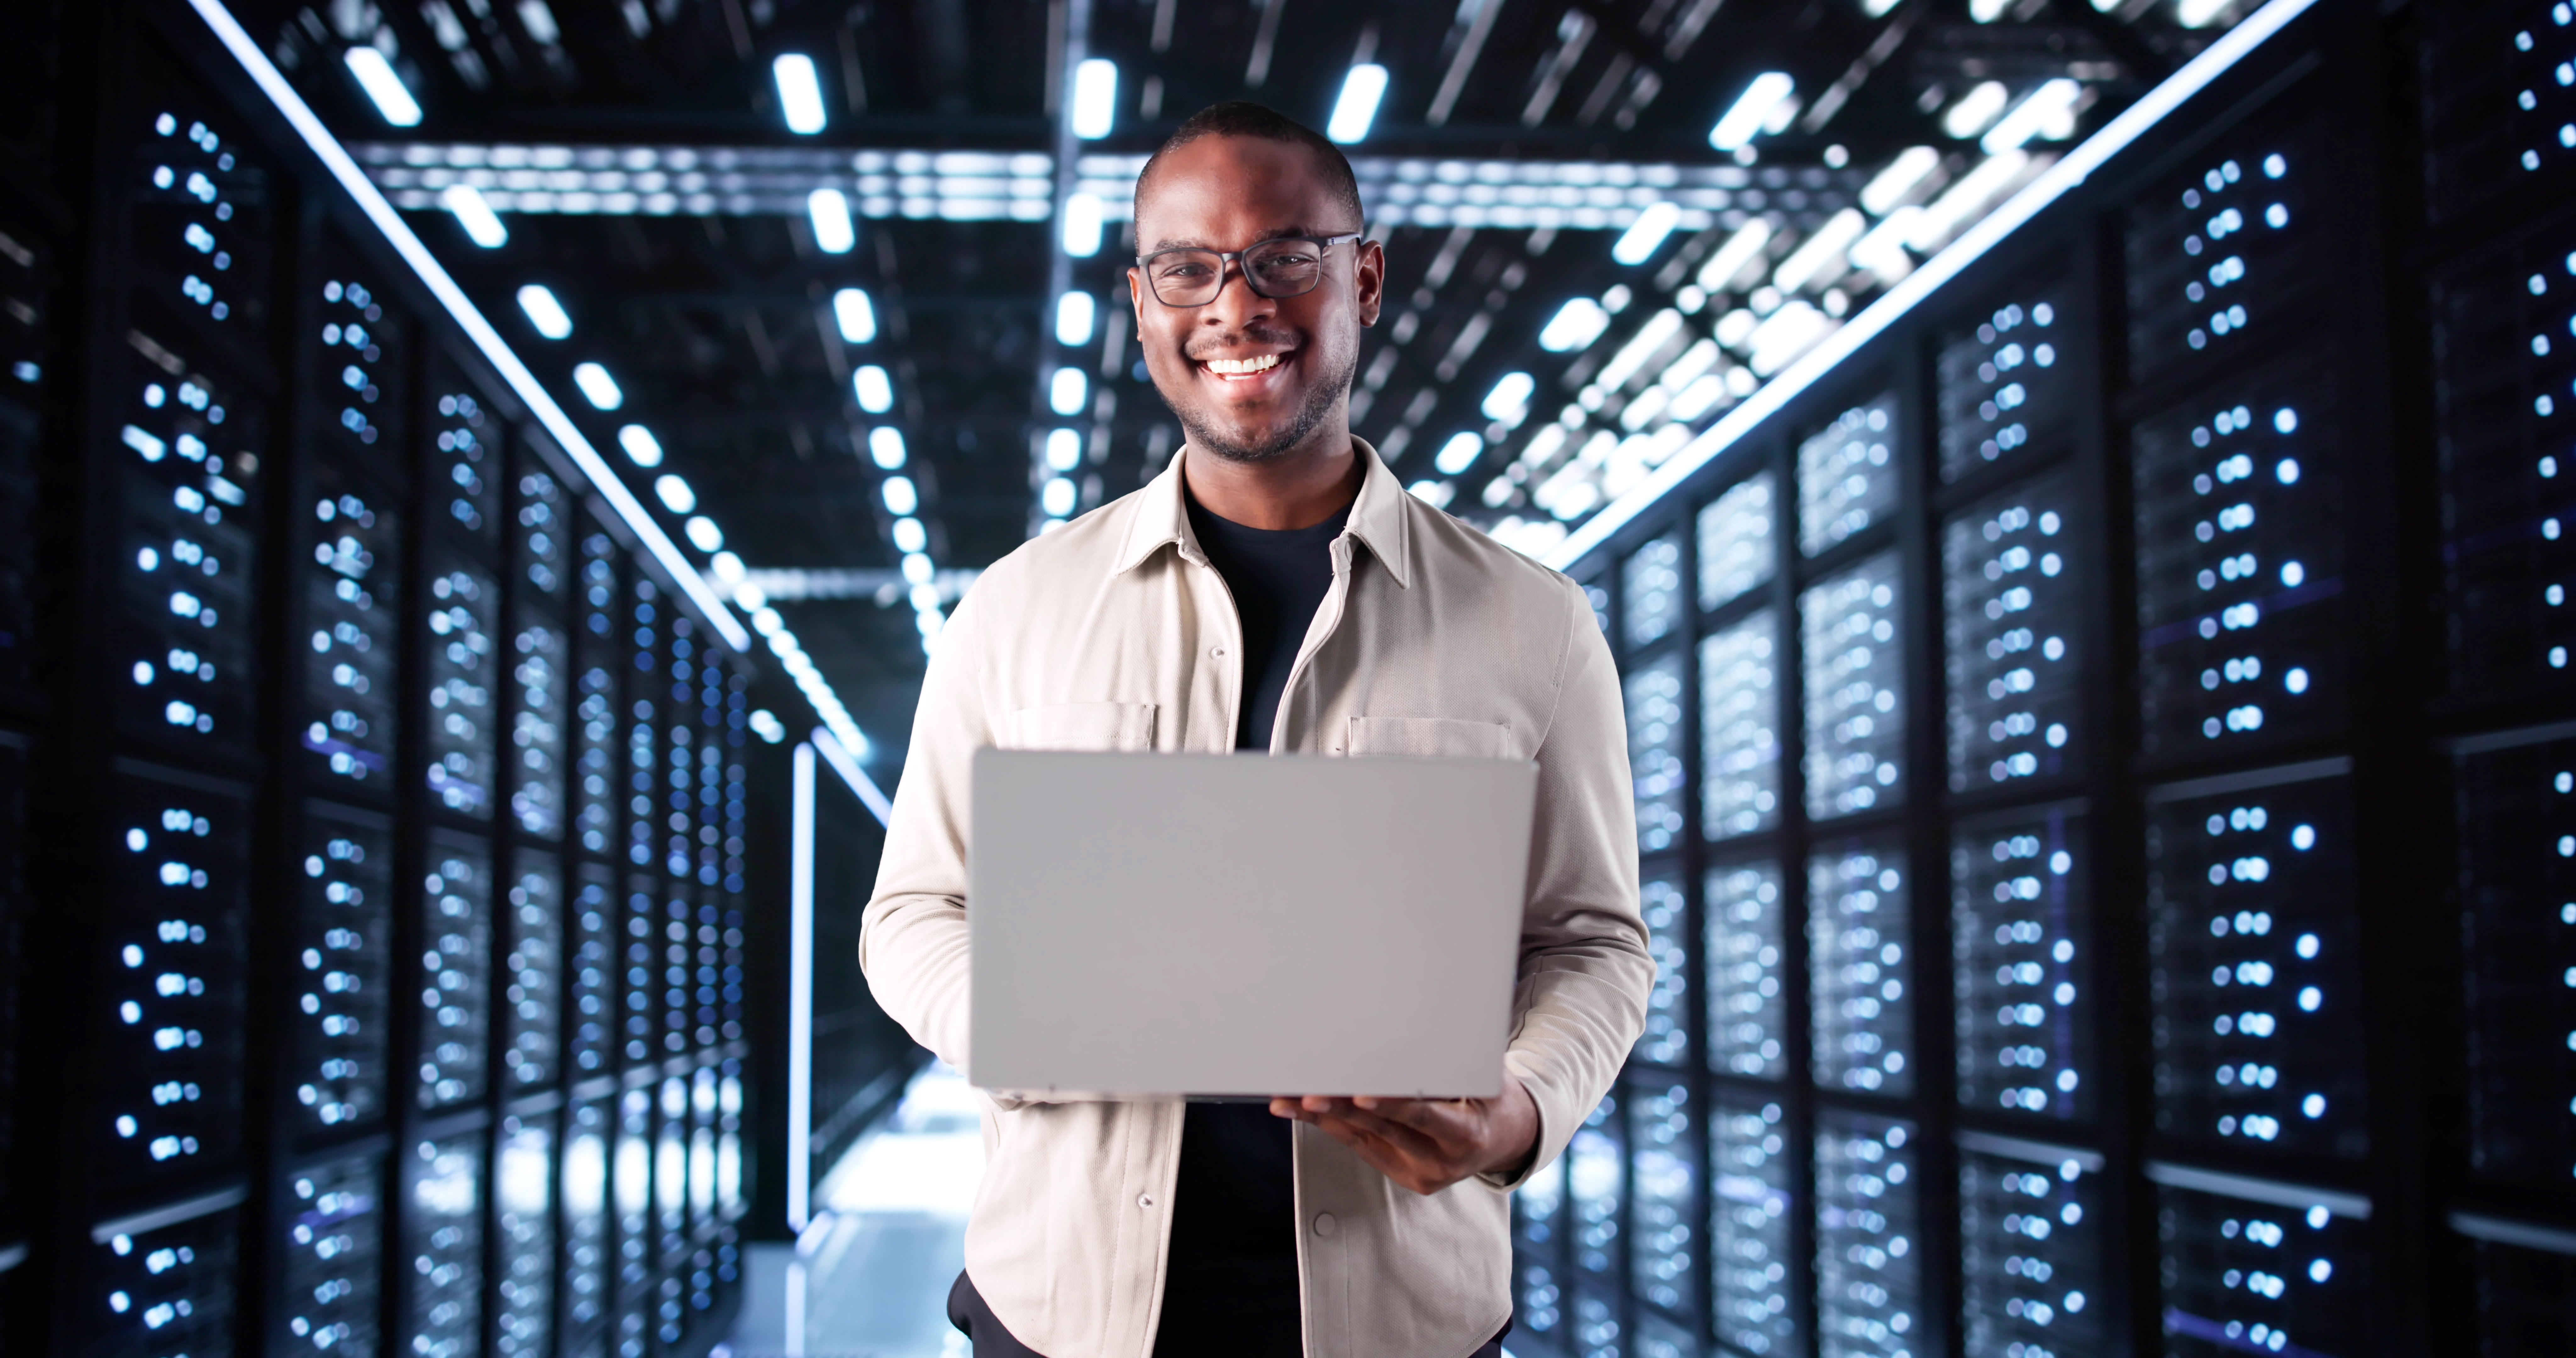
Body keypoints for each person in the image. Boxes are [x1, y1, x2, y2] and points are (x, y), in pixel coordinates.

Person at [861, 101, 1650, 1358]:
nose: (1237, 305)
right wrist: (1043, 1021)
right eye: (1188, 266)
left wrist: (1517, 1115)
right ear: (1139, 302)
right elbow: (911, 917)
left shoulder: (1531, 625)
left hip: (1402, 1318)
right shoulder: (1015, 611)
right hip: (1064, 1313)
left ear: (1365, 277)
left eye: (1286, 255)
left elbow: (1590, 943)